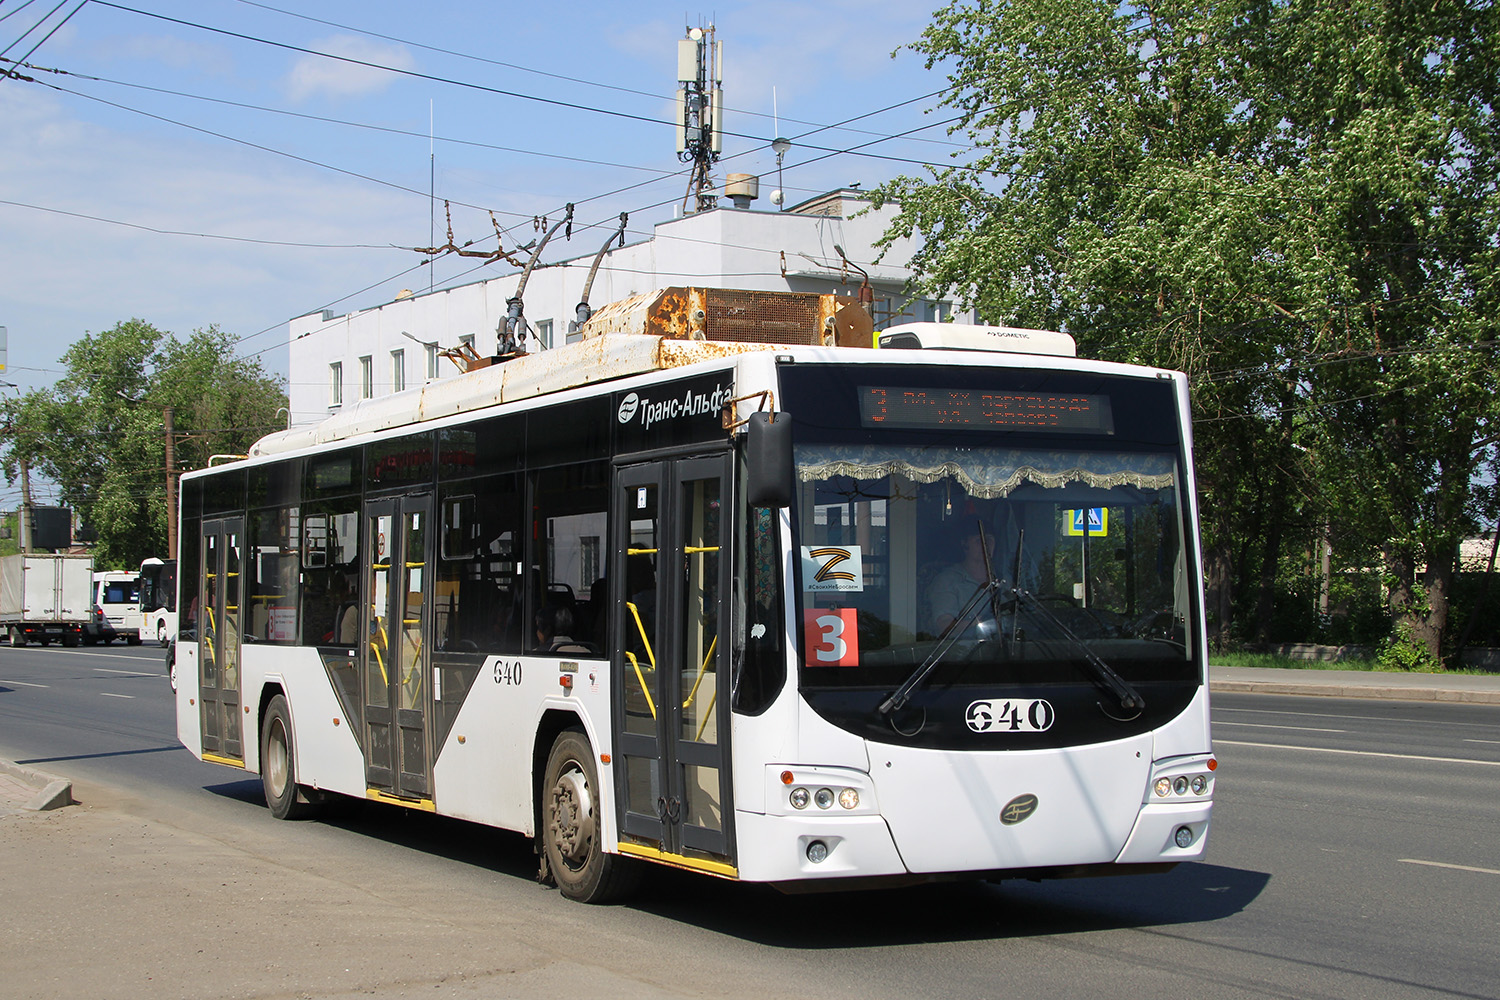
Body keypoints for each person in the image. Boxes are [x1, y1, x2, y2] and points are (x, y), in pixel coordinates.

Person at [927, 527, 1001, 637]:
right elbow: (945, 626)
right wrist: (984, 624)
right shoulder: (947, 580)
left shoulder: (1003, 579)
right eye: (978, 540)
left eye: (990, 539)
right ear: (965, 545)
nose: (985, 545)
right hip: (962, 651)